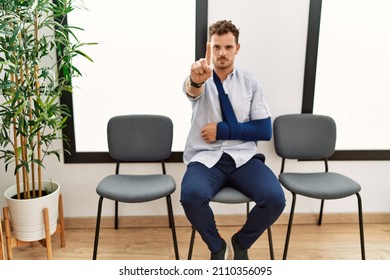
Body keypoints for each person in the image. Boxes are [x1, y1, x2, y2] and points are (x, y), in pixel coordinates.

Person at [180, 20, 286, 260]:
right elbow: (191, 90)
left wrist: (224, 130)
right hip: (206, 156)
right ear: (210, 47)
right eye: (217, 47)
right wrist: (196, 80)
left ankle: (241, 241)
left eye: (228, 47)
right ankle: (217, 247)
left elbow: (263, 129)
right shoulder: (200, 75)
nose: (222, 53)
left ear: (237, 48)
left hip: (243, 157)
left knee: (275, 199)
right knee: (191, 197)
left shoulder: (250, 81)